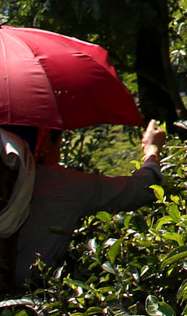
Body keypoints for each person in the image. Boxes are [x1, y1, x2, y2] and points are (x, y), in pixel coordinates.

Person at [11, 120, 166, 284]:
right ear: (46, 141)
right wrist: (151, 149)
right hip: (32, 297)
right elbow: (141, 189)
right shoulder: (59, 183)